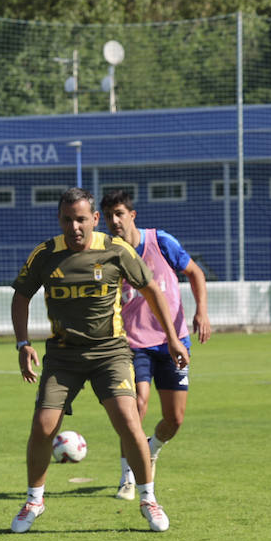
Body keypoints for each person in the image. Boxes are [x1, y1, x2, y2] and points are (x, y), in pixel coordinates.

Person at [10, 187, 189, 535]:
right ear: (59, 220)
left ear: (94, 219)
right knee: (43, 426)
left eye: (81, 219)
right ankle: (34, 500)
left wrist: (171, 337)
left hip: (110, 354)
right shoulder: (45, 254)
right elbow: (21, 296)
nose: (74, 226)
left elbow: (152, 289)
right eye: (67, 219)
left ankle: (148, 498)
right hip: (63, 356)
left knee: (129, 422)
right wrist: (22, 343)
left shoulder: (115, 250)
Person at [100, 189, 212, 500]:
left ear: (132, 215)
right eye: (108, 216)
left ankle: (151, 449)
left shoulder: (161, 242)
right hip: (131, 343)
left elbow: (195, 273)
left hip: (171, 341)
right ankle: (128, 476)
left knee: (174, 419)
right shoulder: (107, 252)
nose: (114, 221)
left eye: (119, 214)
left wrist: (201, 310)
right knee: (136, 403)